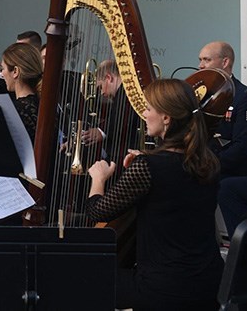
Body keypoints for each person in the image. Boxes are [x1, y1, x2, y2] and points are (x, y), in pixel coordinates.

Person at [86, 79, 223, 310]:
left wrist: (99, 178)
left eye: (148, 108)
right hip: (208, 283)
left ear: (166, 118)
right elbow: (173, 180)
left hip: (164, 289)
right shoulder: (207, 161)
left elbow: (98, 211)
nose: (144, 114)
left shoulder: (148, 166)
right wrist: (145, 160)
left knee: (82, 276)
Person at [198, 41, 247, 177]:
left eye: (207, 60)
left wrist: (209, 166)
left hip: (225, 174)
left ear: (225, 62)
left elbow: (242, 145)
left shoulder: (242, 96)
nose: (201, 66)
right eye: (200, 60)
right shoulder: (199, 94)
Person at [1, 43, 42, 142]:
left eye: (3, 69)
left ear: (15, 71)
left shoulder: (16, 110)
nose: (2, 74)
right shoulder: (43, 105)